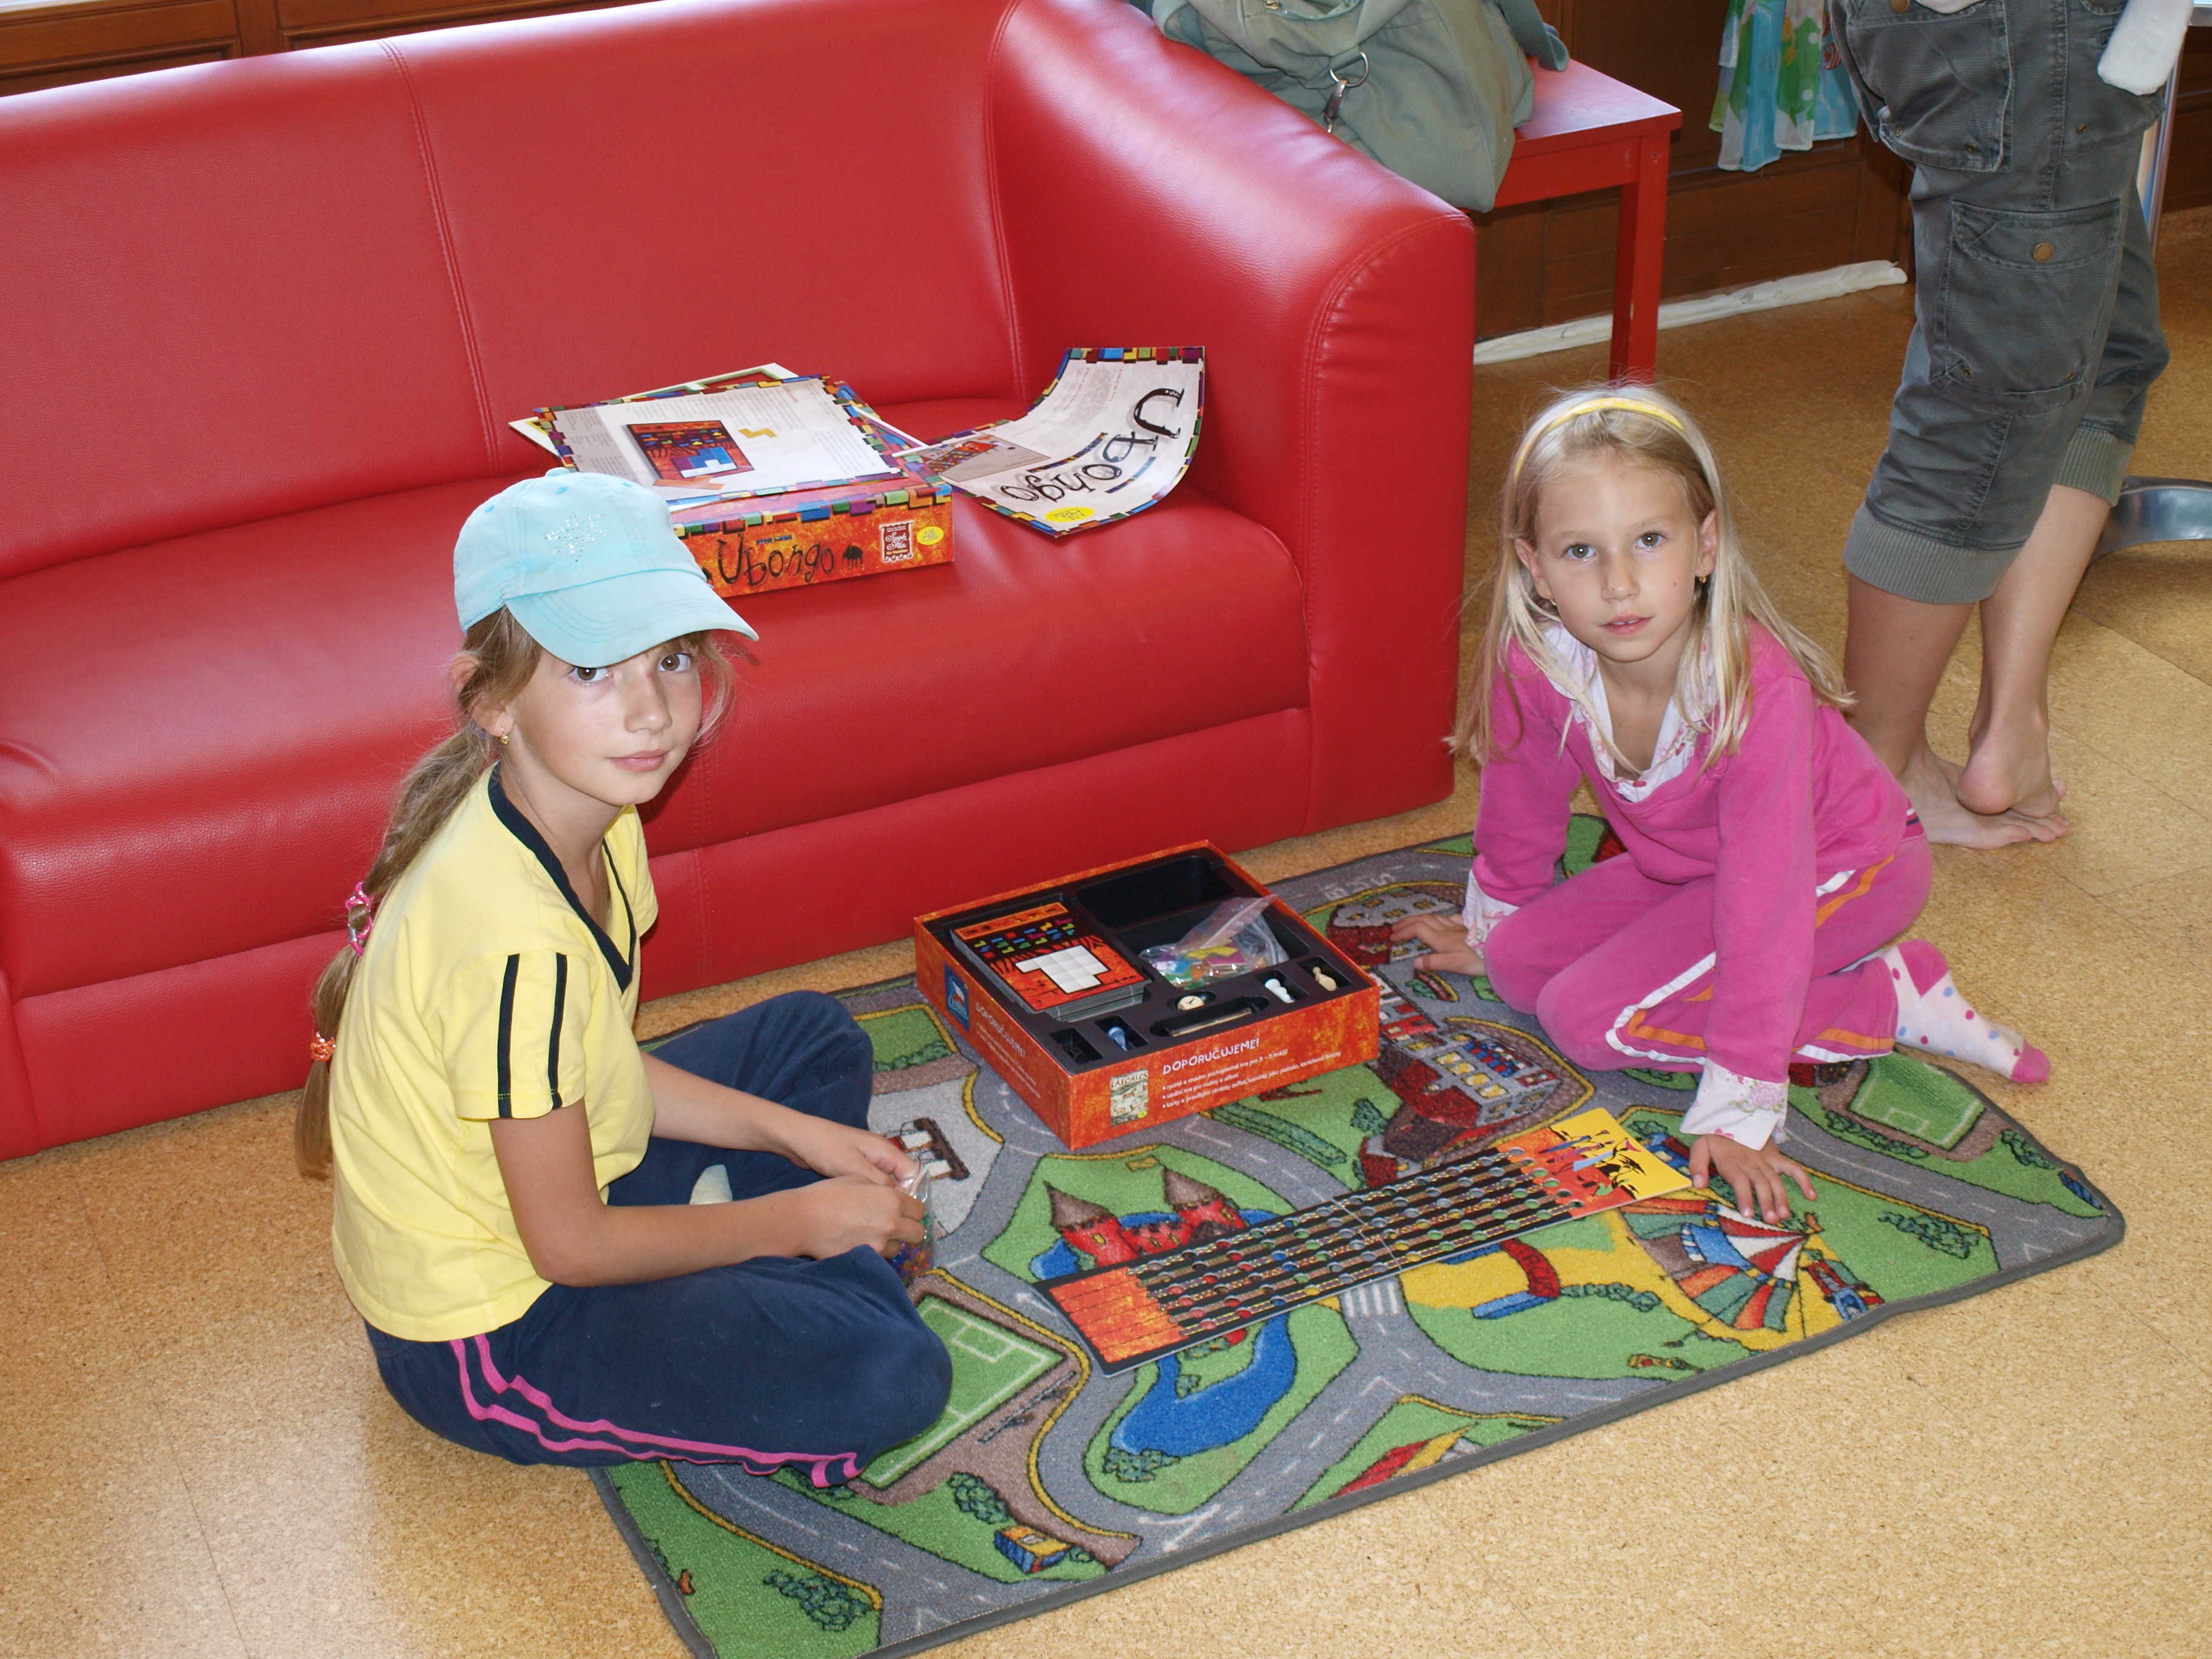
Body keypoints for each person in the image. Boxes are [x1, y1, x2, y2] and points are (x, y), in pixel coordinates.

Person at [295, 469, 950, 1476]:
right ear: (491, 700)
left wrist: (798, 1135)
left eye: (673, 659)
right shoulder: (513, 944)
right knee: (892, 1377)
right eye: (592, 670)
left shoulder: (596, 812)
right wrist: (797, 1216)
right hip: (496, 1329)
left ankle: (782, 1269)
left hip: (558, 1183)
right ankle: (803, 1274)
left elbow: (599, 1063)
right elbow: (570, 1249)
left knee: (812, 1036)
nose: (650, 713)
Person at [1394, 389, 2048, 1224]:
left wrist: (1740, 1105)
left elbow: (1765, 902)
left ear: (1706, 547)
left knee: (1585, 1020)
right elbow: (1521, 804)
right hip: (1695, 870)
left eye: (1650, 541)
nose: (1619, 584)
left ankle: (1885, 997)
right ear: (1536, 568)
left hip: (1848, 869)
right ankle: (1846, 988)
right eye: (1581, 551)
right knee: (1519, 965)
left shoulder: (1754, 690)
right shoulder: (1539, 660)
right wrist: (1494, 925)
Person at [1828, 0, 2170, 847]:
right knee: (1979, 424)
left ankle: (2013, 725)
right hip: (2029, 35)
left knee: (2105, 356)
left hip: (2037, 40)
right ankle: (1873, 779)